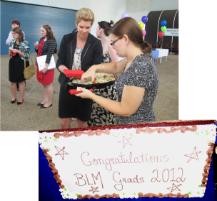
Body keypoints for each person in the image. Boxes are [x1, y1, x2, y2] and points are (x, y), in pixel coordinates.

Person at [77, 17, 158, 124]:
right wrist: (94, 68)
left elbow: (125, 110)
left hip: (136, 127)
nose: (112, 46)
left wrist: (91, 95)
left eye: (113, 42)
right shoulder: (134, 58)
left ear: (125, 39)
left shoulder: (140, 67)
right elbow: (116, 67)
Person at [56, 8, 103, 129]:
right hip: (67, 84)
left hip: (85, 86)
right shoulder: (67, 39)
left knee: (82, 122)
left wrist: (87, 75)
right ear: (76, 24)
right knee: (64, 122)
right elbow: (60, 61)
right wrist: (65, 70)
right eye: (81, 27)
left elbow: (97, 66)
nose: (84, 30)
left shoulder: (96, 43)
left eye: (88, 27)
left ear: (91, 25)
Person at [88, 20, 119, 126]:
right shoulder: (96, 44)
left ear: (101, 30)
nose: (95, 30)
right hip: (95, 85)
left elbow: (117, 67)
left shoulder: (110, 46)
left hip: (107, 88)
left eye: (96, 28)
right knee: (94, 115)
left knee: (105, 117)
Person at [35, 25, 57, 108]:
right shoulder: (41, 39)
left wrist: (46, 66)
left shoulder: (51, 40)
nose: (41, 32)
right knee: (43, 83)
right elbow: (38, 51)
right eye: (40, 31)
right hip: (40, 62)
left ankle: (49, 102)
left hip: (47, 65)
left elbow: (50, 54)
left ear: (47, 31)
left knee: (48, 84)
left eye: (42, 31)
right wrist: (36, 47)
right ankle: (45, 99)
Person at [8, 27, 30, 105]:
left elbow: (27, 56)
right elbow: (9, 53)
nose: (13, 35)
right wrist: (10, 53)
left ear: (19, 34)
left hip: (21, 63)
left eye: (14, 33)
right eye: (12, 33)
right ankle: (13, 97)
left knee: (21, 81)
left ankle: (21, 98)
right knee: (12, 81)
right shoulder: (12, 42)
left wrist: (18, 51)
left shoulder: (25, 42)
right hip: (12, 62)